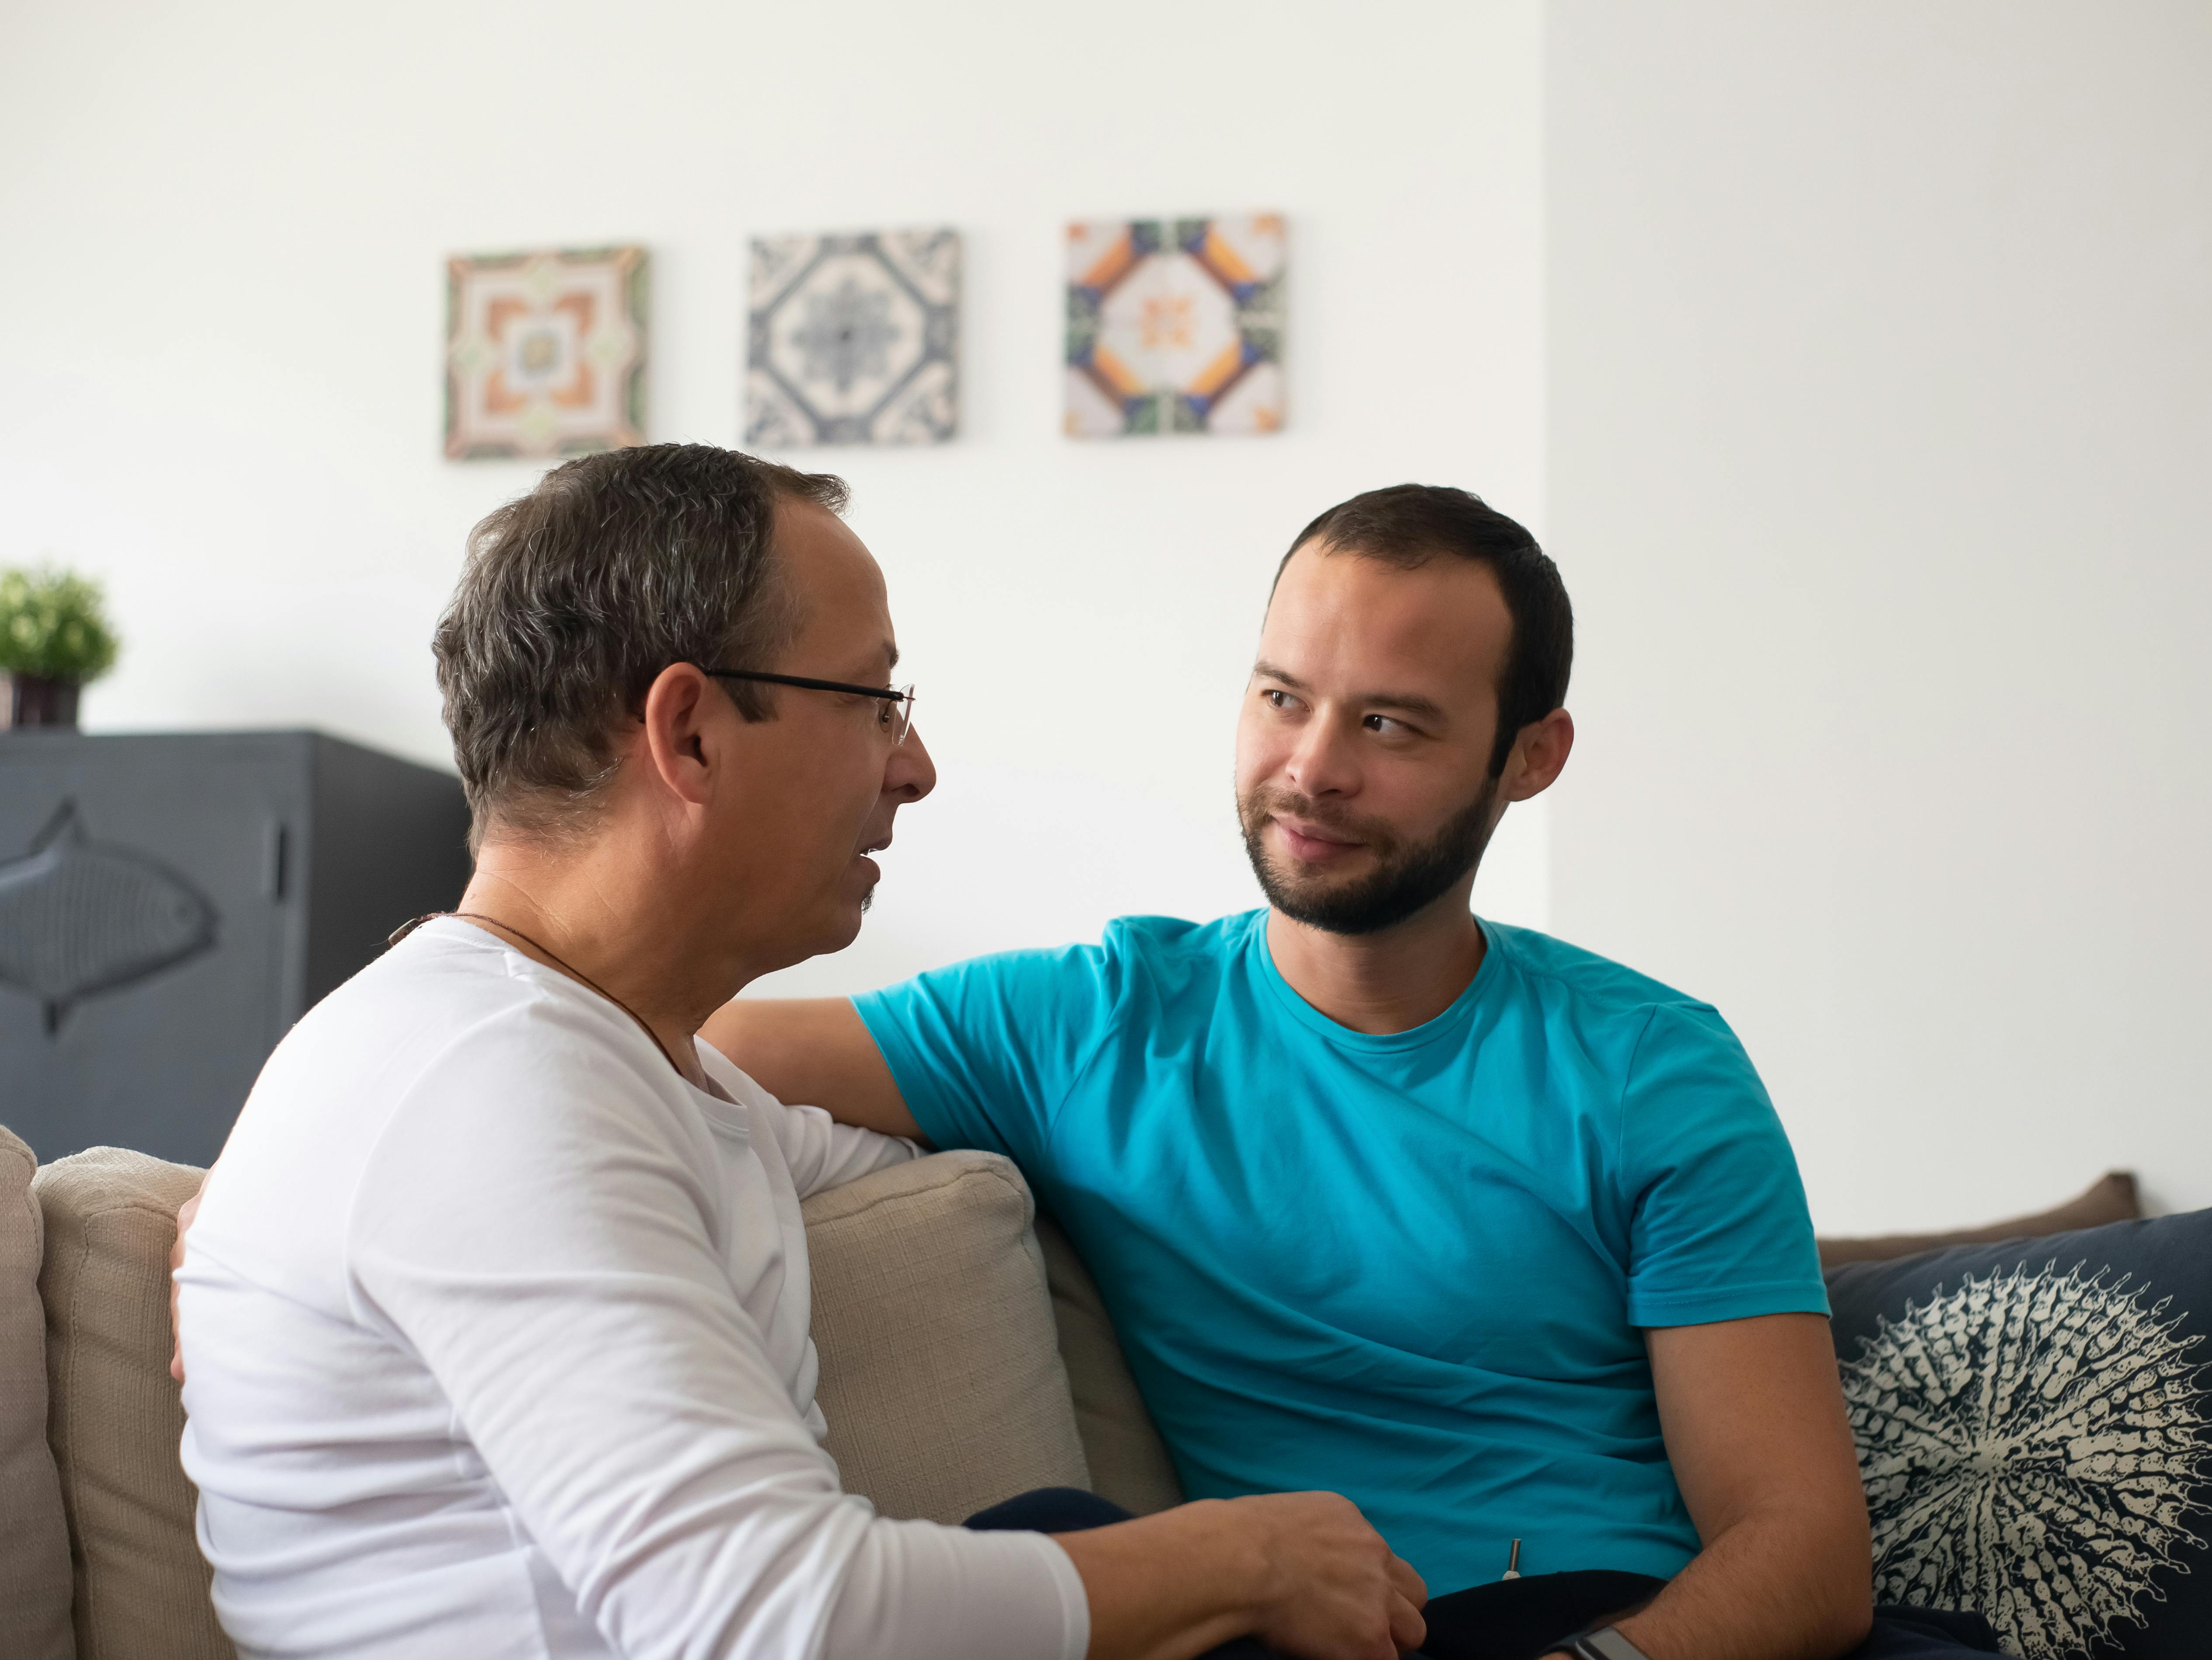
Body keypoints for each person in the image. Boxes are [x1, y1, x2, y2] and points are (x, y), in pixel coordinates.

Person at [169, 445, 1427, 1660]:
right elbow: (772, 1624)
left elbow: (884, 1157)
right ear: (692, 733)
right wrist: (1248, 1559)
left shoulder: (602, 1072)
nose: (915, 768)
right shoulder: (491, 1085)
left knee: (1061, 1540)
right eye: (876, 700)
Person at [703, 486, 1998, 1660]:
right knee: (1034, 1534)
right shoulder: (1086, 1024)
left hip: (1623, 1633)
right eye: (1282, 697)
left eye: (1387, 723)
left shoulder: (1652, 1064)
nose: (1312, 768)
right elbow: (677, 1043)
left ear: (1529, 757)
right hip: (1315, 1636)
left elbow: (1801, 1554)